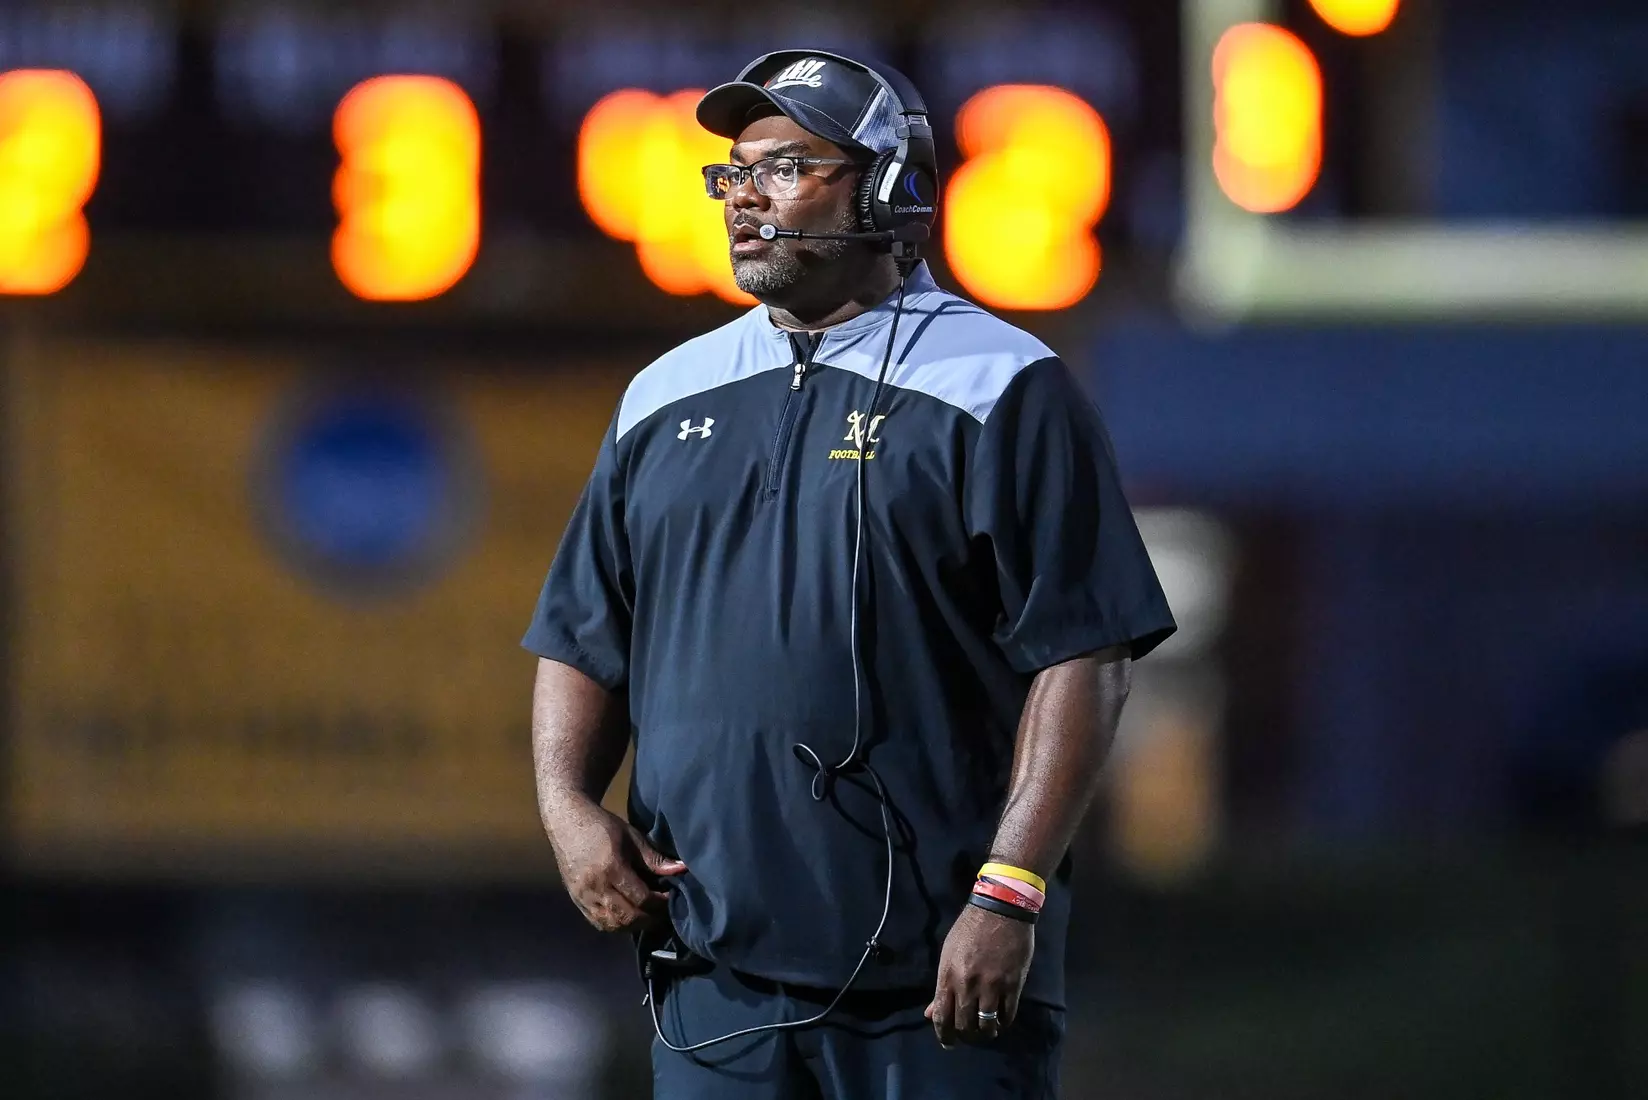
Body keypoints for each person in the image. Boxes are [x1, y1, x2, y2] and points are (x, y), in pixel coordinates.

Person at [524, 48, 1175, 1099]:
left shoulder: (1000, 386)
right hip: (713, 976)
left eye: (784, 167)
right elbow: (581, 632)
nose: (744, 198)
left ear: (885, 185)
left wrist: (1008, 895)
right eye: (730, 173)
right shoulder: (662, 394)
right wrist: (564, 804)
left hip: (939, 978)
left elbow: (1085, 656)